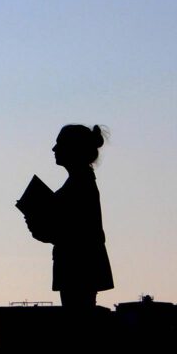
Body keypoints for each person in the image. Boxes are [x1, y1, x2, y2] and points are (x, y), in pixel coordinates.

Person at [23, 124, 113, 308]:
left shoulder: (79, 186)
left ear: (73, 149)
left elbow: (66, 233)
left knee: (77, 317)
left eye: (60, 144)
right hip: (77, 266)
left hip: (77, 267)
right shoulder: (80, 182)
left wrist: (34, 219)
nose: (54, 149)